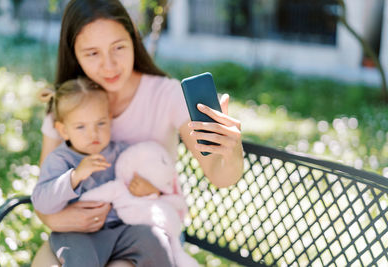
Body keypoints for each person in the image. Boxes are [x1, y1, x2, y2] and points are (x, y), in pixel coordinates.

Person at [34, 0, 244, 266]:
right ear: (73, 53)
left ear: (134, 39)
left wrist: (231, 150)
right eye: (92, 53)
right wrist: (56, 219)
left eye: (118, 47)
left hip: (150, 228)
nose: (109, 65)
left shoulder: (166, 95)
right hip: (83, 234)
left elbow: (219, 174)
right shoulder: (68, 104)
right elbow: (43, 186)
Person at [33, 77, 174, 266]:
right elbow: (42, 201)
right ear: (63, 130)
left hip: (121, 229)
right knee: (82, 261)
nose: (93, 134)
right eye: (80, 127)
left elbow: (146, 179)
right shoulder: (60, 160)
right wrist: (74, 177)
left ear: (109, 119)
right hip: (76, 234)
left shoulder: (122, 152)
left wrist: (151, 191)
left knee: (154, 240)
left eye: (100, 123)